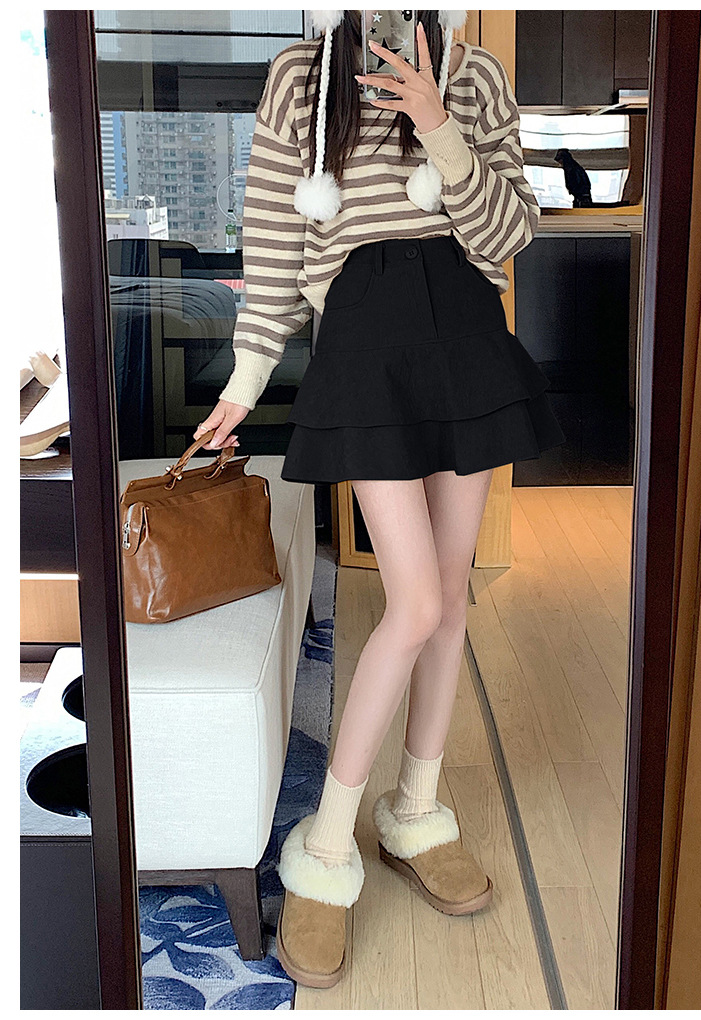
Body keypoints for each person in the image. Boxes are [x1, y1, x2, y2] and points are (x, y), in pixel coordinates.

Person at [194, 9, 566, 988]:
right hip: (363, 346)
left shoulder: (474, 73)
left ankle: (415, 811)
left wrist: (438, 122)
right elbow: (275, 242)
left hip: (465, 341)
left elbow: (510, 231)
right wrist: (245, 383)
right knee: (415, 603)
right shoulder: (300, 78)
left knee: (449, 602)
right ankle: (325, 849)